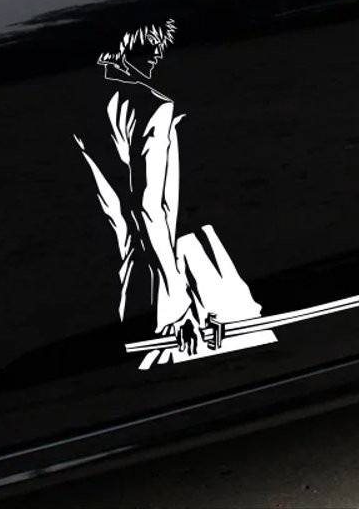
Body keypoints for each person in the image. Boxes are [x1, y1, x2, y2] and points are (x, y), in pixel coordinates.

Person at [73, 21, 275, 369]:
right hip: (169, 261)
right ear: (121, 45)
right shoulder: (151, 107)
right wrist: (176, 299)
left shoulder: (84, 107)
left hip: (131, 264)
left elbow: (112, 207)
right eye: (148, 43)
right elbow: (151, 208)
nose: (157, 52)